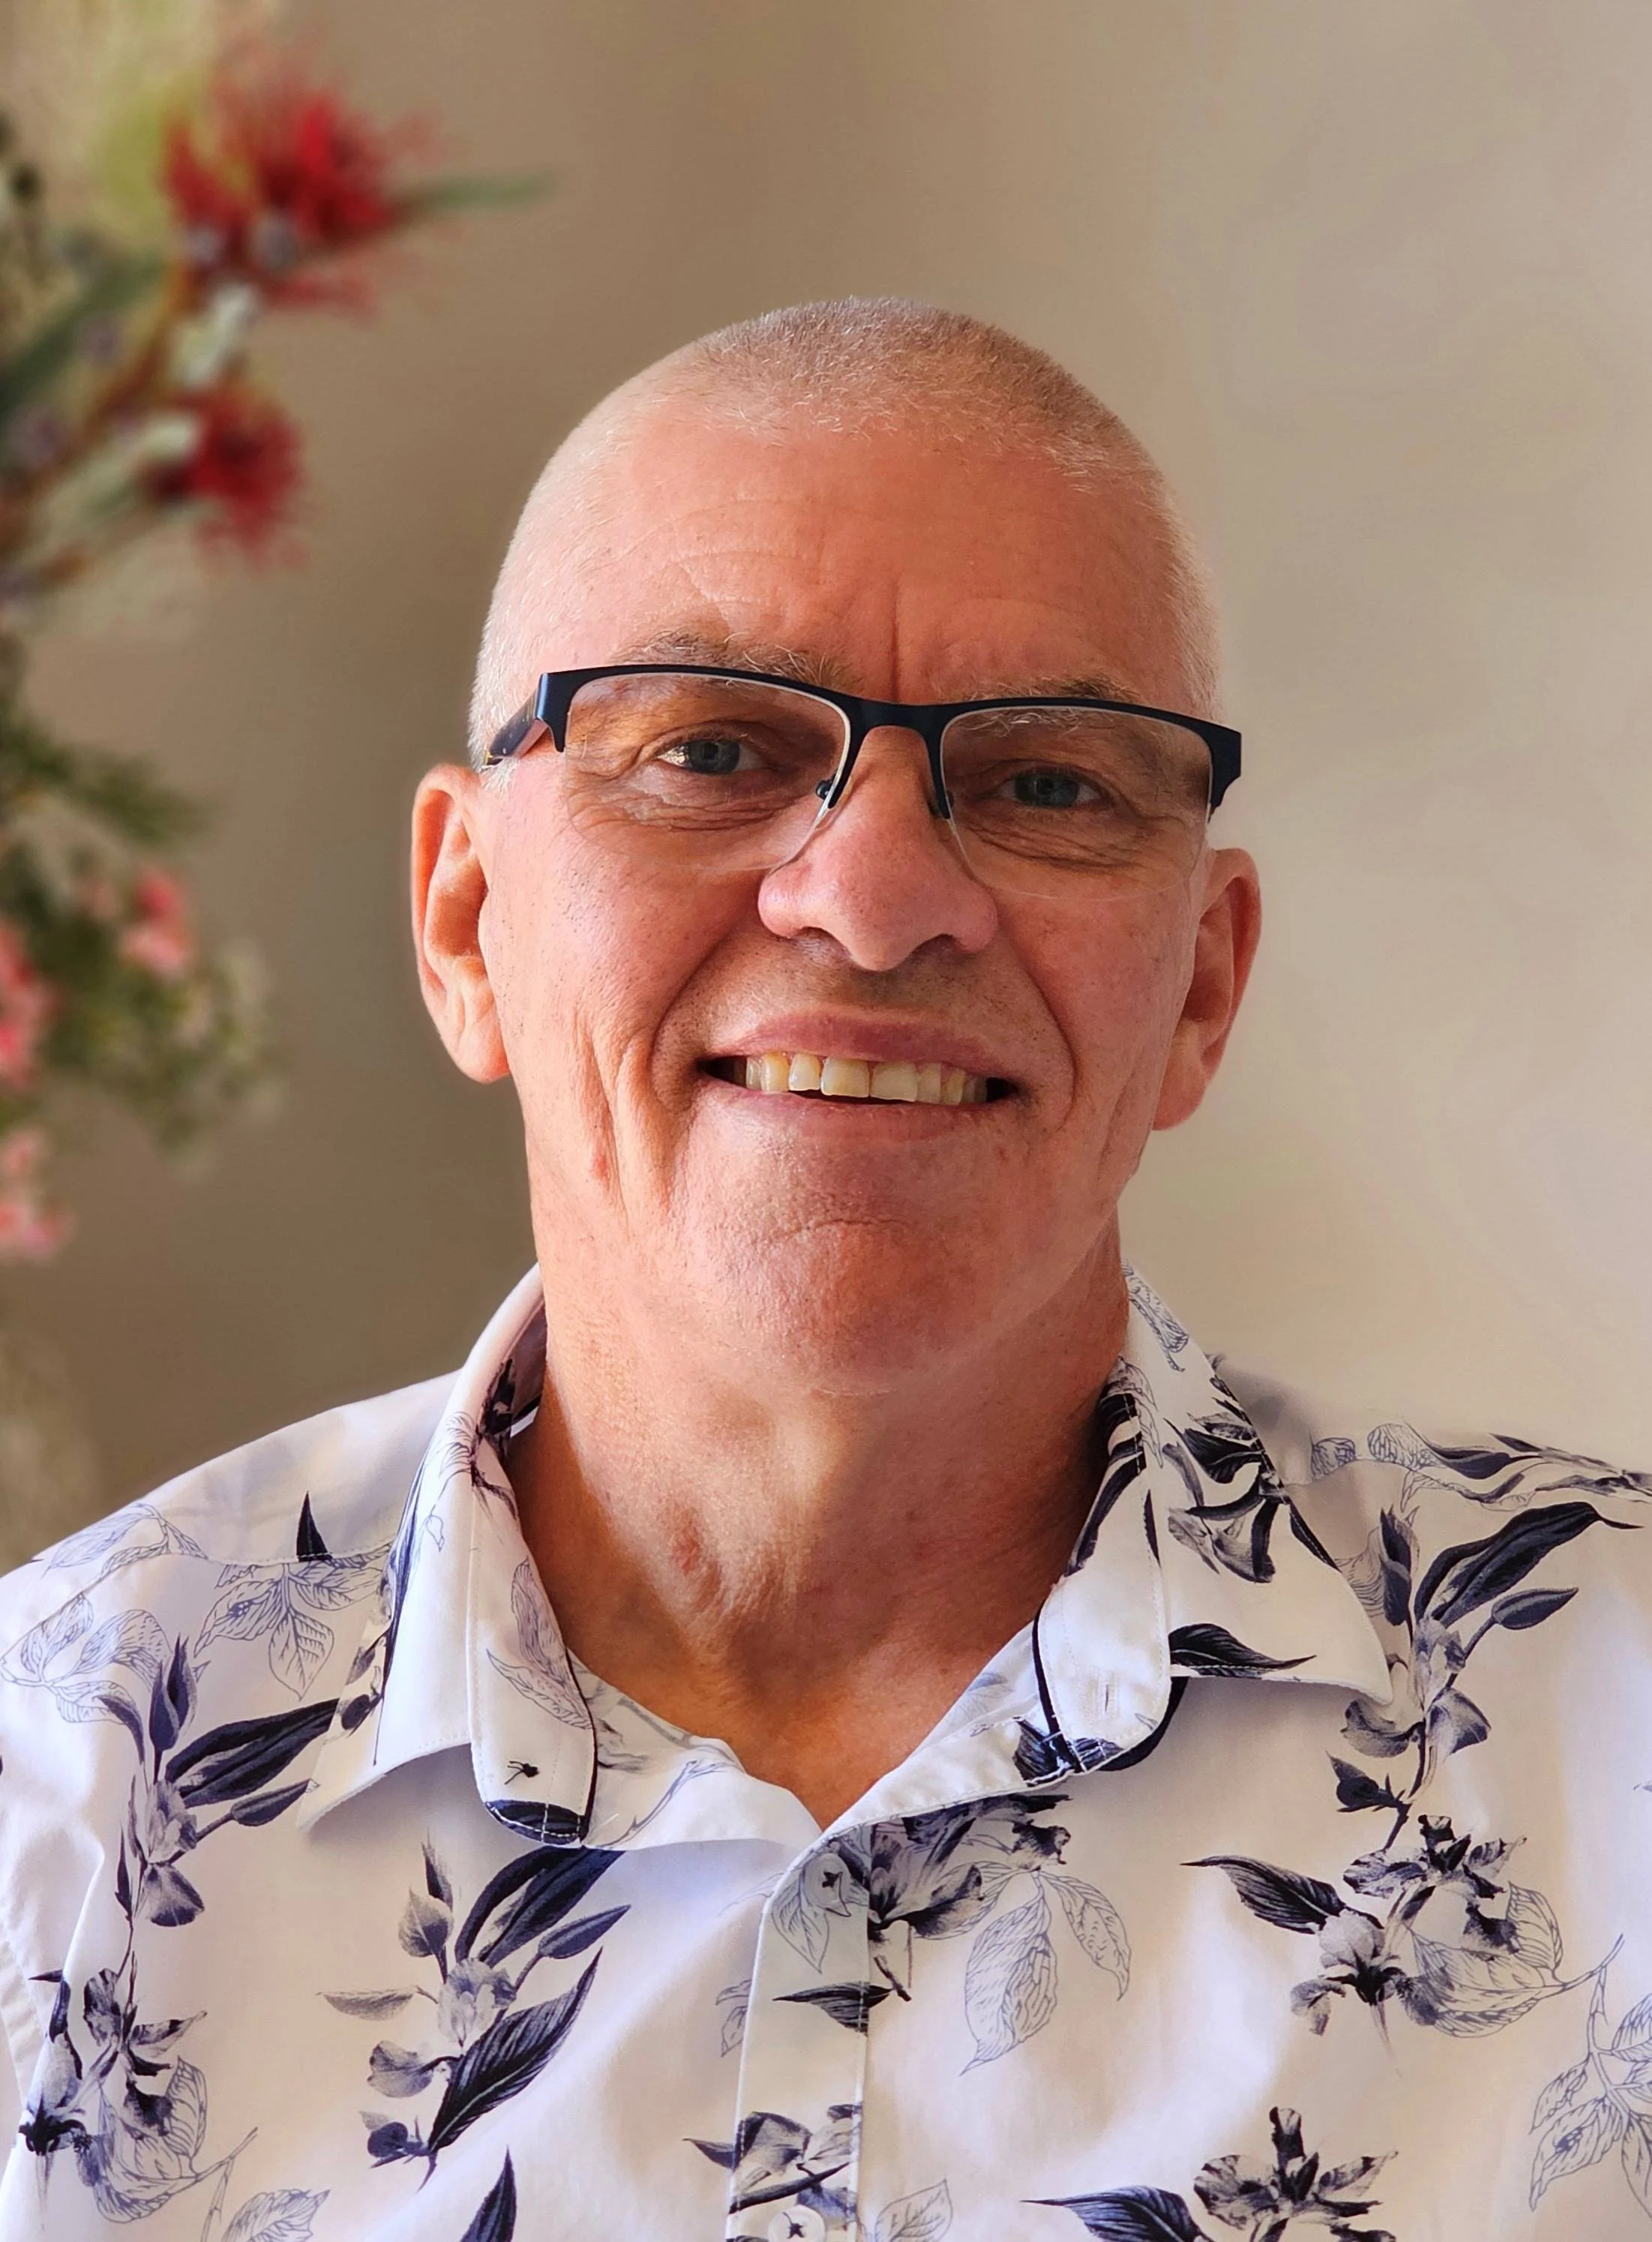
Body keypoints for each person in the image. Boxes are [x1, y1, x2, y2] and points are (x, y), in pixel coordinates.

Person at [0, 299, 1646, 2242]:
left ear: (1201, 982)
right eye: (709, 746)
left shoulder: (1612, 1746)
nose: (872, 901)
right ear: (464, 918)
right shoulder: (52, 1799)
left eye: (1045, 781)